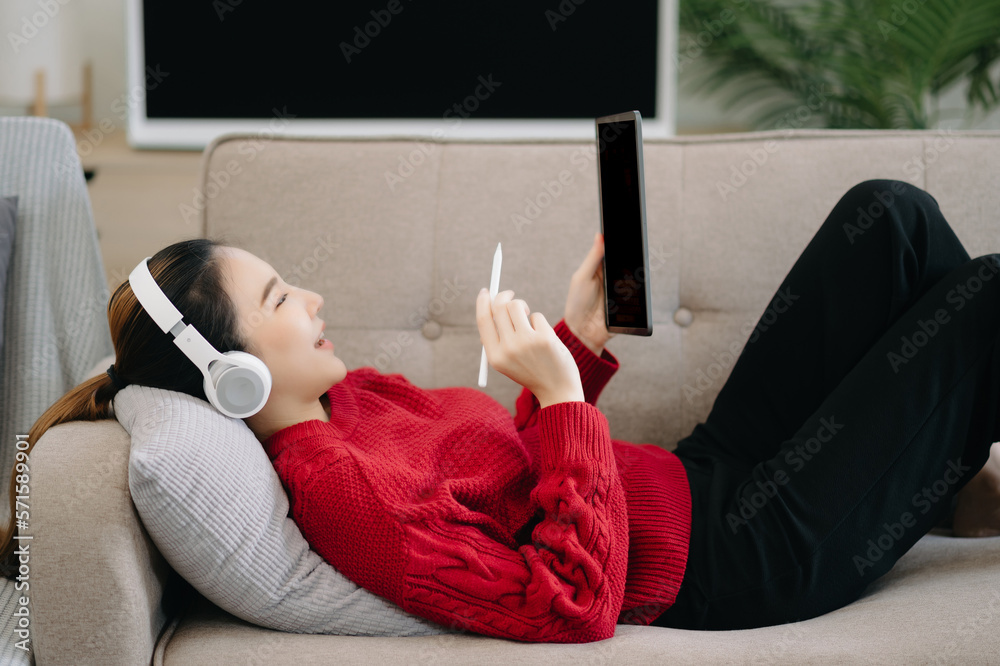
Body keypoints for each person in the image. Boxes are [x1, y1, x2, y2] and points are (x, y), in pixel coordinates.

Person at [3, 179, 999, 642]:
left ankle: (923, 471)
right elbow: (570, 601)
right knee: (986, 298)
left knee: (890, 218)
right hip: (737, 560)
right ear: (228, 375)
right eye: (276, 303)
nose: (311, 303)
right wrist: (563, 400)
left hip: (703, 470)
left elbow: (518, 485)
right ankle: (919, 471)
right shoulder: (342, 498)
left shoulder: (356, 398)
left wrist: (575, 346)